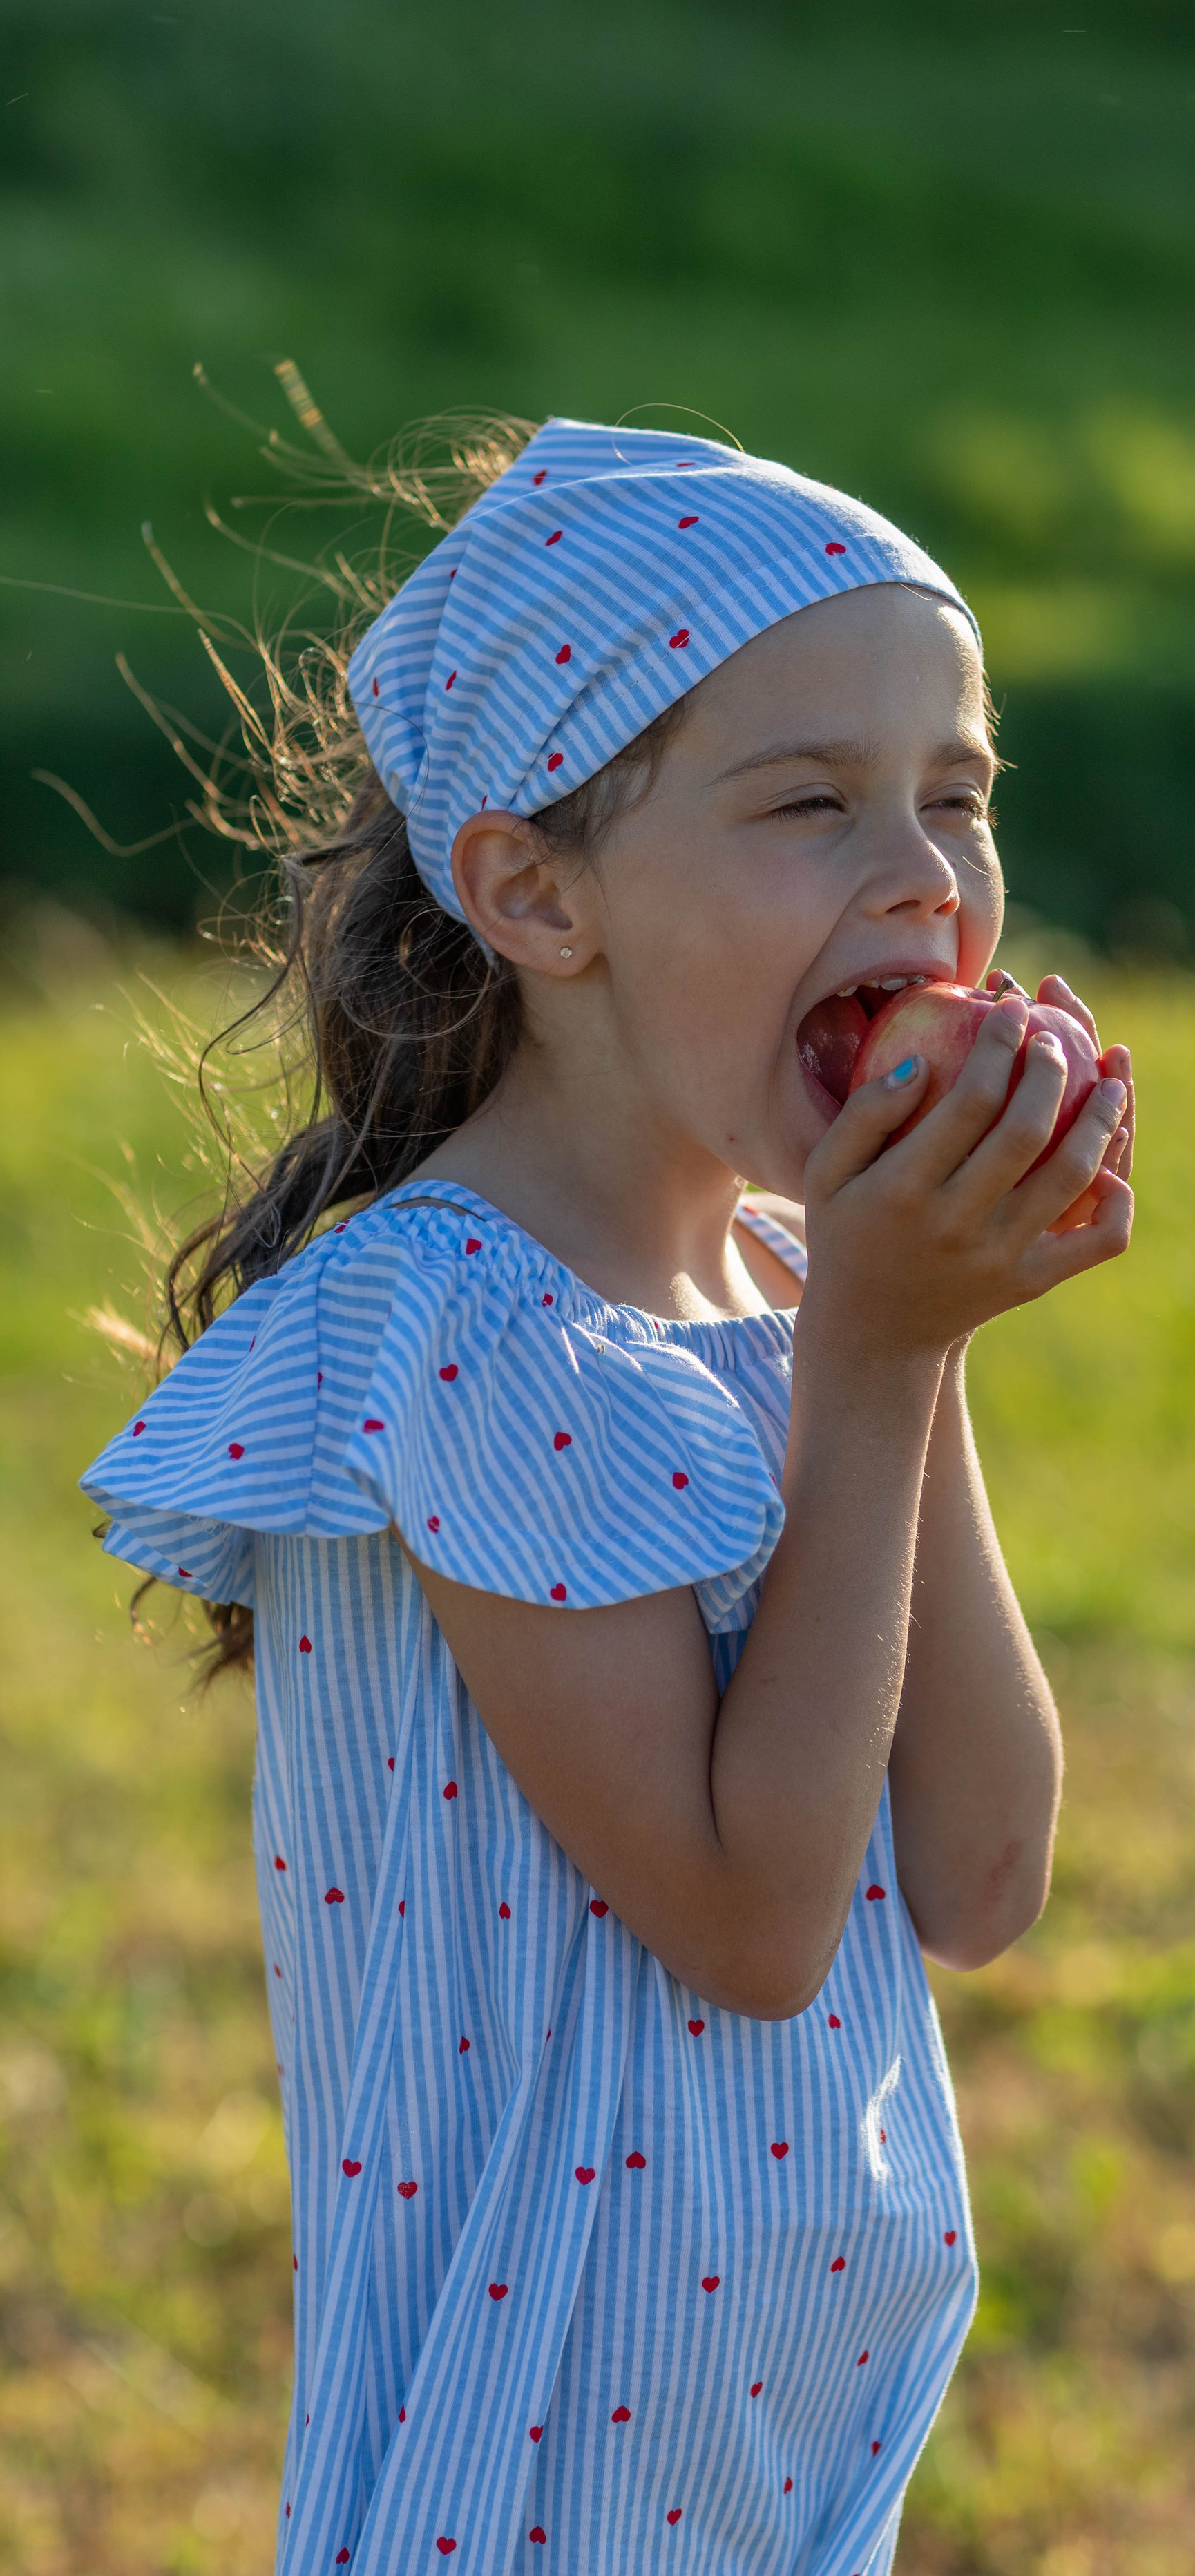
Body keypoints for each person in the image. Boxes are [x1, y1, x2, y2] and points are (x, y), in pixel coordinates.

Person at [80, 417, 1134, 2575]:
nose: (928, 873)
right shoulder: (450, 1330)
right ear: (536, 889)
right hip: (543, 2437)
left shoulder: (787, 1286)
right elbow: (754, 1924)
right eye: (809, 802)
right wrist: (881, 1354)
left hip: (785, 2416)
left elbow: (985, 1869)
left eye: (958, 793)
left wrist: (897, 1332)